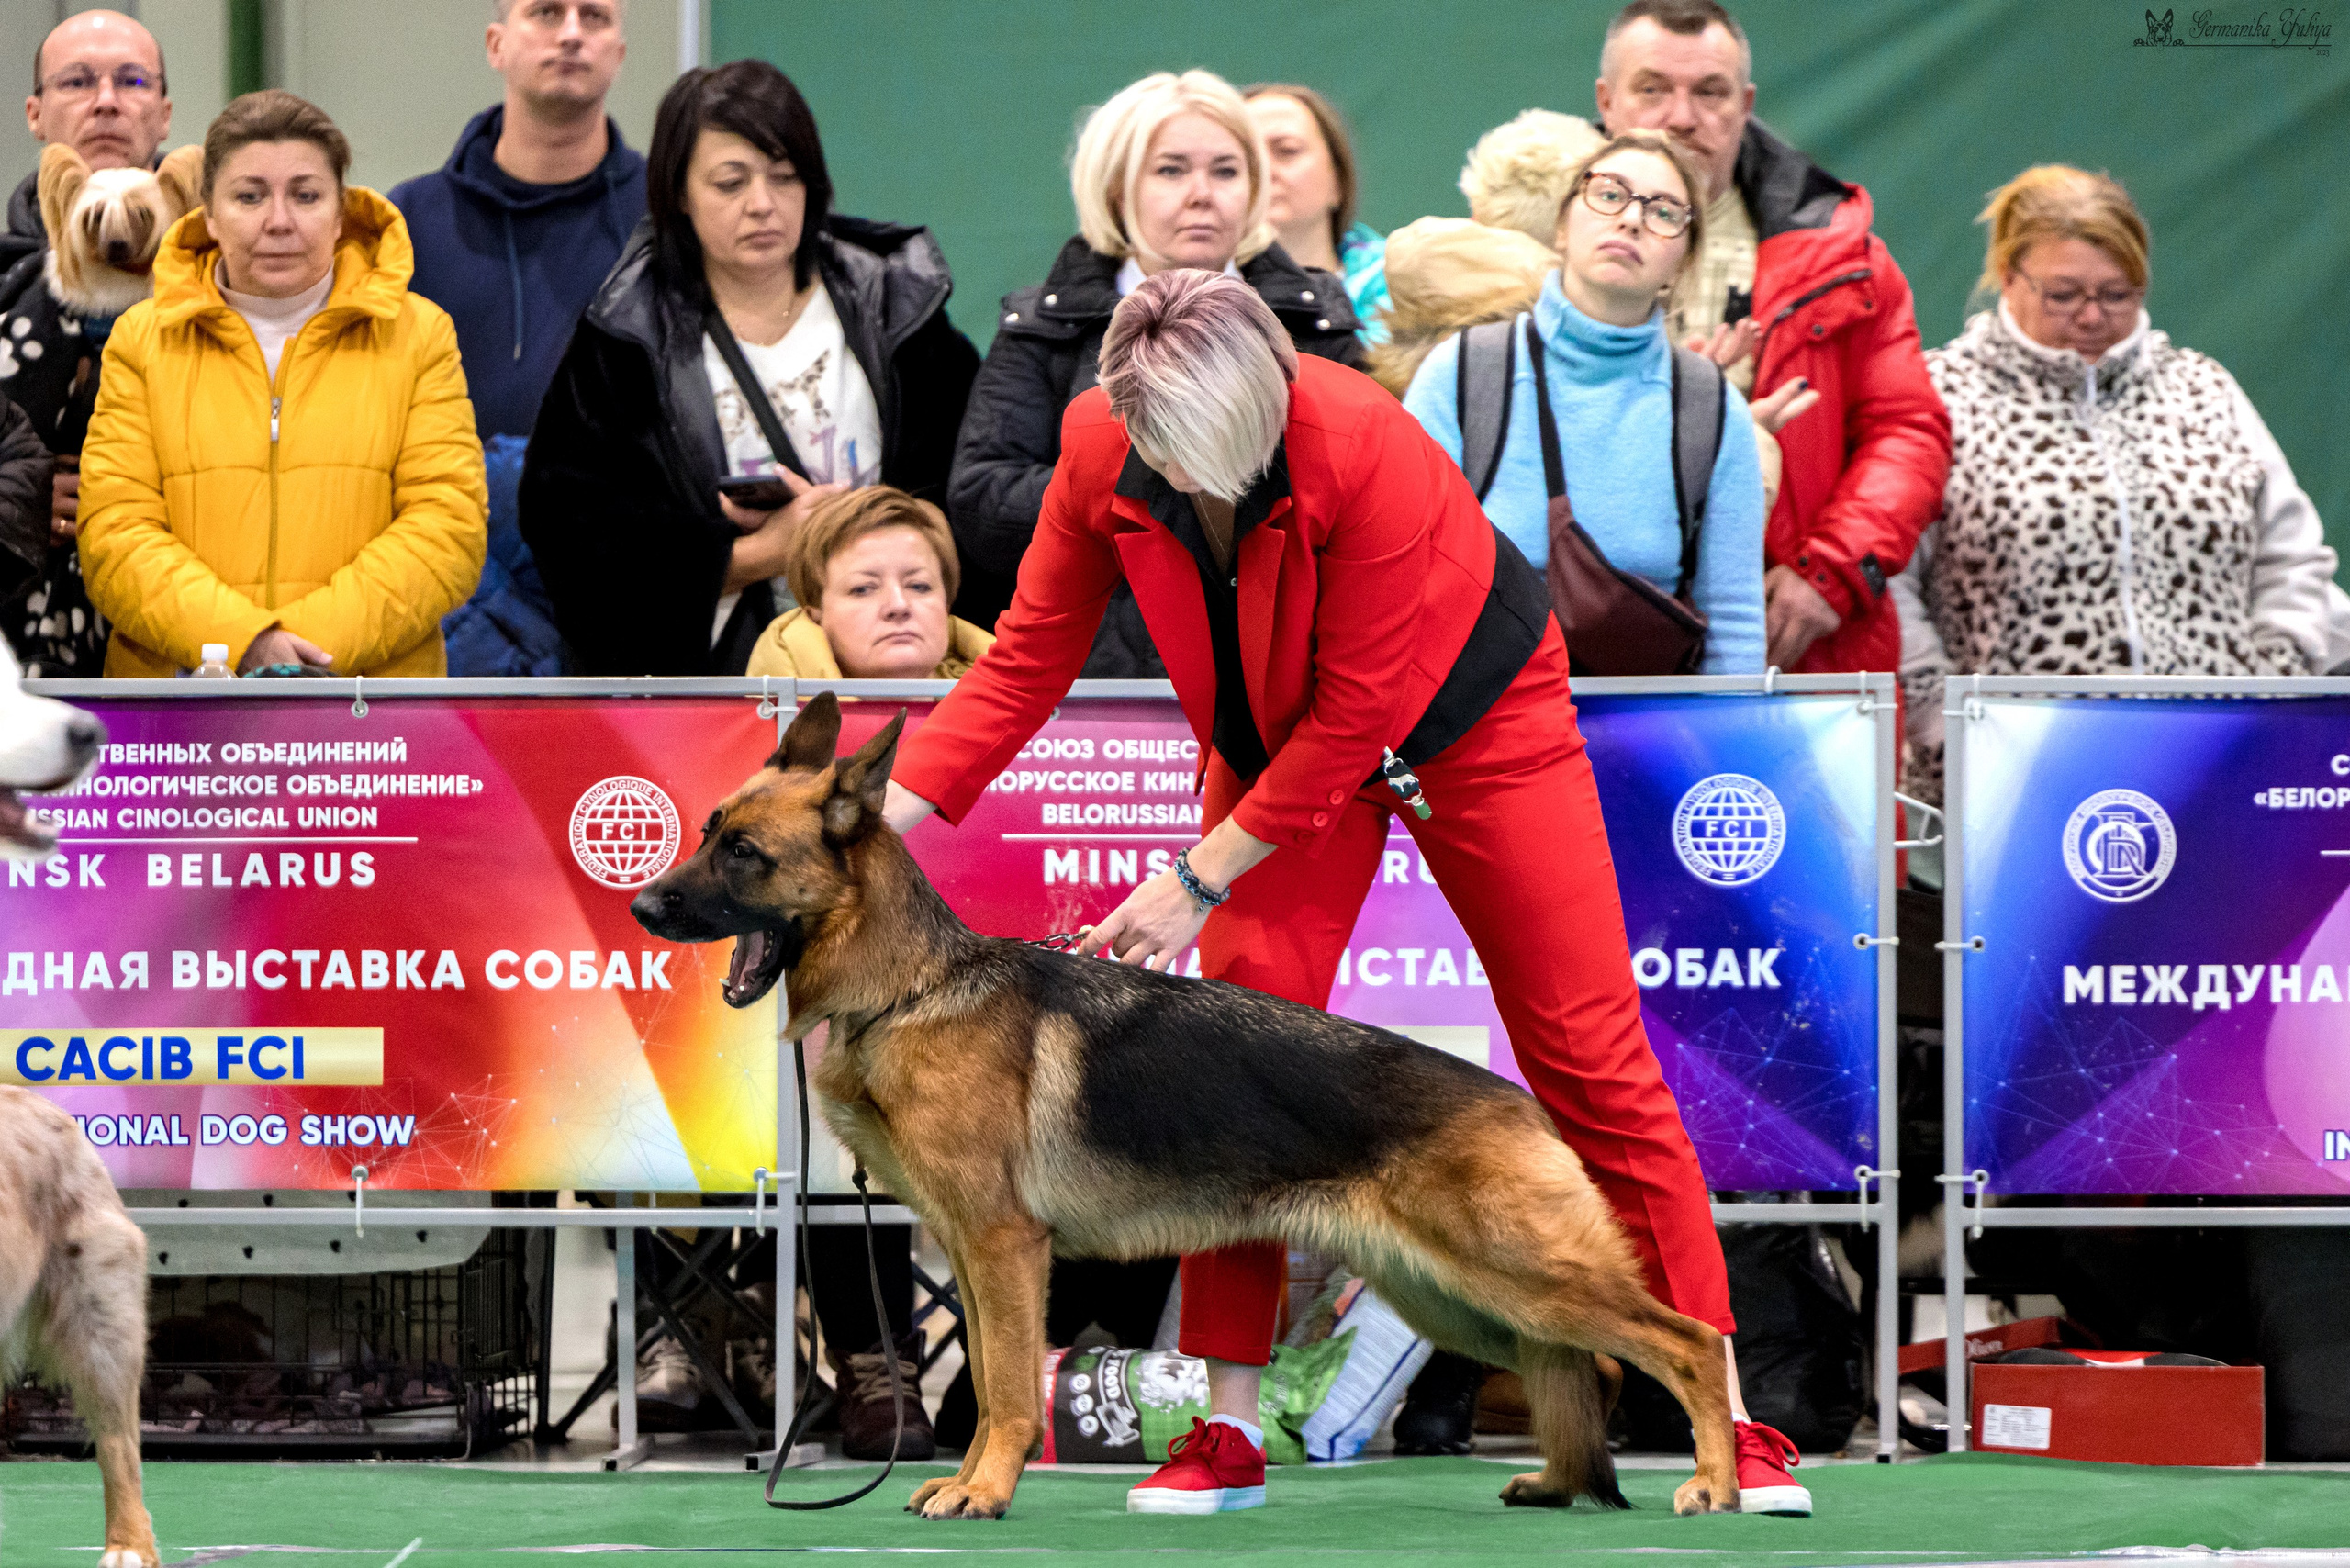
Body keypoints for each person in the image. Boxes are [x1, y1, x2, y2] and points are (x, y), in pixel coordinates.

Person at [882, 270, 1810, 1517]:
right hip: (1270, 741)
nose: (1219, 485)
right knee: (1238, 1061)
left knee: (1590, 1051)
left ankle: (1738, 1421)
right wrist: (871, 822)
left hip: (1473, 720)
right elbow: (1028, 659)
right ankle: (1226, 1429)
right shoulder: (1100, 440)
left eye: (1241, 455)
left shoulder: (1363, 441)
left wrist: (1197, 879)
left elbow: (1359, 716)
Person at [521, 61, 979, 677]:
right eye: (731, 184)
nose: (763, 205)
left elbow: (971, 496)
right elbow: (571, 534)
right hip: (706, 692)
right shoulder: (624, 332)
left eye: (785, 178)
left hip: (889, 679)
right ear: (679, 193)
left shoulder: (898, 307)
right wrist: (758, 553)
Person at [1896, 166, 2333, 800]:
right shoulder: (1941, 394)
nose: (2093, 316)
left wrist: (2272, 688)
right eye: (2064, 294)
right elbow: (1892, 583)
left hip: (2209, 776)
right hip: (2013, 791)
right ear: (2009, 279)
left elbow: (2291, 561)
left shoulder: (2204, 387)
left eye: (2118, 294)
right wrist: (1943, 724)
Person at [946, 69, 1363, 654]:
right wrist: (1171, 491)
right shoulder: (1044, 327)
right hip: (1101, 687)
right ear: (1117, 189)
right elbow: (983, 503)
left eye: (1226, 170)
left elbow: (1360, 498)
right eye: (1171, 170)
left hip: (1282, 665)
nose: (1203, 193)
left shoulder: (1314, 322)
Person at [76, 91, 487, 678]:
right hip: (180, 724)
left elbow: (447, 528)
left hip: (374, 728)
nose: (279, 220)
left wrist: (297, 652)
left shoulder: (420, 335)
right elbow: (114, 534)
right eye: (249, 196)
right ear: (209, 216)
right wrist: (242, 643)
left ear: (341, 212)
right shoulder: (140, 341)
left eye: (306, 195)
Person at [1595, 0, 1948, 674]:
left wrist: (1832, 574)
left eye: (1710, 91)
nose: (1680, 116)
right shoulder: (1521, 246)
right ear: (1607, 101)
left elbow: (1907, 432)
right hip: (1587, 645)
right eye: (1651, 90)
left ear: (1746, 102)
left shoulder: (1846, 260)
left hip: (1797, 646)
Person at [1404, 129, 1766, 674]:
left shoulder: (1709, 409)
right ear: (1560, 226)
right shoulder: (1460, 374)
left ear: (1684, 264)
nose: (1631, 219)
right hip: (1478, 732)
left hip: (1640, 742)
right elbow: (1398, 582)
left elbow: (1733, 621)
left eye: (1665, 212)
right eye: (1609, 194)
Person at [1, 7, 172, 674]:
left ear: (163, 111)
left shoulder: (230, 285)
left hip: (176, 633)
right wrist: (15, 503)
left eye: (131, 82)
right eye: (76, 82)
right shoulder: (8, 278)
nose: (105, 101)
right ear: (35, 112)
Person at [389, 0, 644, 442]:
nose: (571, 34)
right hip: (452, 506)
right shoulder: (408, 223)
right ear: (496, 45)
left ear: (618, 56)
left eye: (594, 16)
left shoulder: (666, 213)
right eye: (546, 12)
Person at [745, 485, 993, 679]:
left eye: (919, 586)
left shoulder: (1024, 717)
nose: (898, 605)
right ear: (815, 615)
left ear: (946, 604)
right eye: (863, 589)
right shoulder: (769, 724)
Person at [1243, 84, 1387, 343]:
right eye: (1245, 157)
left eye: (1287, 150)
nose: (1265, 171)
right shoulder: (1192, 296)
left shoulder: (1408, 287)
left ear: (1338, 180)